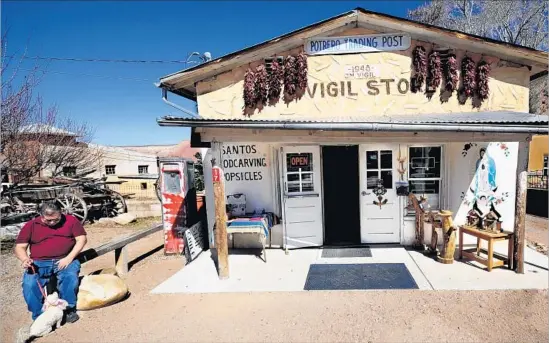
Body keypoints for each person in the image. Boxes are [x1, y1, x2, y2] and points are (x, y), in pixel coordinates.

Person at [14, 201, 87, 323]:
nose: (52, 222)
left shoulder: (71, 220)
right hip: (39, 261)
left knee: (70, 278)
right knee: (29, 284)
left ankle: (68, 310)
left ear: (61, 213)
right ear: (41, 216)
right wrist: (25, 259)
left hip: (65, 259)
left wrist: (69, 258)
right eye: (48, 220)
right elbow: (19, 247)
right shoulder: (31, 225)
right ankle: (39, 316)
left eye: (56, 219)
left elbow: (81, 239)